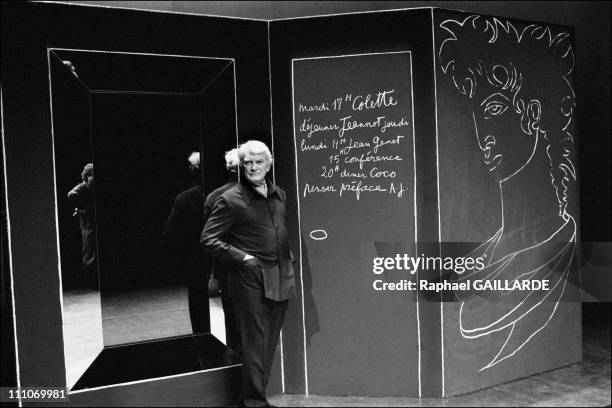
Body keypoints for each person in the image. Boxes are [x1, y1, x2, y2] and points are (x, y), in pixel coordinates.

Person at [439, 15, 577, 371]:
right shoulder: (481, 261)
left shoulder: (566, 256)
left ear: (532, 114)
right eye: (475, 118)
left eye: (495, 110)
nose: (482, 135)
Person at [201, 140, 296, 407]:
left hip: (280, 274)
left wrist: (288, 255)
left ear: (269, 163)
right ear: (241, 167)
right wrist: (243, 257)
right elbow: (208, 239)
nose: (254, 167)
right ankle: (254, 402)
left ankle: (251, 398)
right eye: (248, 163)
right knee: (255, 343)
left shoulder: (279, 194)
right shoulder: (231, 199)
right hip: (249, 279)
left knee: (268, 343)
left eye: (259, 162)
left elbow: (278, 229)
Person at [164, 151, 209, 333]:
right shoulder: (224, 193)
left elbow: (170, 232)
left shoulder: (184, 199)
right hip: (224, 255)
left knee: (198, 304)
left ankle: (202, 338)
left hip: (196, 257)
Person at [204, 148, 242, 356]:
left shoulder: (213, 197)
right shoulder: (261, 193)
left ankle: (236, 370)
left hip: (229, 271)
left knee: (234, 326)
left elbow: (212, 243)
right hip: (253, 269)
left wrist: (215, 275)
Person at [67, 163, 97, 288]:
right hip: (87, 223)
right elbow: (71, 194)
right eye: (91, 175)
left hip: (92, 221)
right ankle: (89, 281)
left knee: (93, 250)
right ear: (87, 176)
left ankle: (94, 279)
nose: (93, 178)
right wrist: (81, 208)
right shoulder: (83, 187)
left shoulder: (92, 188)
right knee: (89, 249)